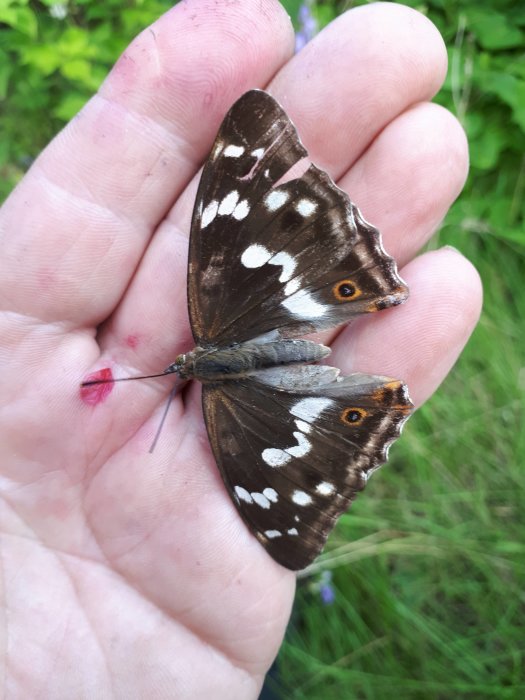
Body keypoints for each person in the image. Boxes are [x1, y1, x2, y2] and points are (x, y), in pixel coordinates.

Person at [0, 1, 482, 697]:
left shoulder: (222, 409)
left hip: (280, 327)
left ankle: (351, 321)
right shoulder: (213, 300)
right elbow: (280, 504)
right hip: (281, 305)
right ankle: (351, 294)